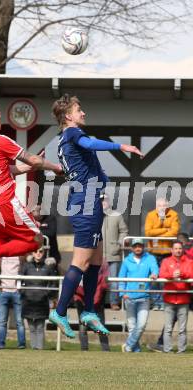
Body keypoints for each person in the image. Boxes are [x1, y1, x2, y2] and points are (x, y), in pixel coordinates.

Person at [48, 94, 143, 338]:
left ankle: (89, 310)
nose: (84, 113)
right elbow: (90, 145)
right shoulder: (72, 133)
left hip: (90, 202)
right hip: (85, 203)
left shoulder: (66, 138)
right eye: (79, 109)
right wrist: (121, 146)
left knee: (97, 260)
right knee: (80, 262)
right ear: (68, 116)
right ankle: (59, 311)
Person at [0, 102, 62, 283]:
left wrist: (31, 165)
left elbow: (5, 168)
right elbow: (33, 160)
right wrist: (55, 167)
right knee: (37, 239)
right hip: (4, 203)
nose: (1, 124)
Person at [119, 238, 158, 352]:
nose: (137, 248)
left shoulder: (150, 258)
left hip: (144, 297)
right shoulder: (126, 261)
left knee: (141, 325)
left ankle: (127, 345)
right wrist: (123, 293)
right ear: (132, 248)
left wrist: (154, 274)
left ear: (143, 247)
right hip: (129, 298)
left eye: (140, 246)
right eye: (135, 246)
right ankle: (135, 351)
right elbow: (121, 278)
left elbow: (155, 268)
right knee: (132, 327)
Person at [145, 198, 180, 310]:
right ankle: (156, 303)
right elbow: (148, 232)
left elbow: (174, 232)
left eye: (164, 206)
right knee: (154, 278)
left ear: (167, 206)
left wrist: (158, 234)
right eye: (160, 206)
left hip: (167, 252)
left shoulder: (174, 214)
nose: (162, 208)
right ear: (156, 206)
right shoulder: (150, 215)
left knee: (166, 278)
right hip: (153, 252)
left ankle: (165, 302)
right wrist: (165, 229)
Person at [159, 241, 193, 353]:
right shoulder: (165, 261)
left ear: (182, 250)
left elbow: (191, 275)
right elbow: (162, 275)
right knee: (168, 328)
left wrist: (182, 274)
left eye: (180, 248)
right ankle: (167, 350)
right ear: (171, 250)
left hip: (184, 299)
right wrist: (171, 275)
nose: (178, 250)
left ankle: (181, 350)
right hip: (169, 298)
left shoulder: (189, 262)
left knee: (182, 329)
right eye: (176, 248)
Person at [21, 247, 56, 350]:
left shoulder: (48, 267)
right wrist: (24, 293)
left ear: (44, 252)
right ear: (32, 253)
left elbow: (53, 283)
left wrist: (46, 294)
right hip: (28, 301)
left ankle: (40, 349)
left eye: (41, 251)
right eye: (36, 251)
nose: (38, 253)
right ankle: (33, 349)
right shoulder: (26, 266)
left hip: (42, 302)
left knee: (40, 328)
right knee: (31, 328)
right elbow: (19, 281)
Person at [74, 261, 110, 351]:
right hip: (81, 302)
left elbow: (102, 287)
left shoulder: (101, 266)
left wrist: (93, 302)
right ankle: (84, 348)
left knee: (100, 325)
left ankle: (105, 349)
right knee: (83, 326)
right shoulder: (77, 266)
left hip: (97, 303)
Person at [101, 194, 128, 310]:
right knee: (97, 280)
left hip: (114, 253)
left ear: (109, 202)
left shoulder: (117, 215)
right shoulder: (93, 215)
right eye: (101, 200)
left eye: (105, 200)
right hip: (97, 255)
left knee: (114, 281)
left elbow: (124, 231)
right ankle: (97, 301)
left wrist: (119, 244)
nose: (103, 202)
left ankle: (114, 302)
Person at [0, 256, 26, 349]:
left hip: (17, 292)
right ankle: (0, 344)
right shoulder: (1, 257)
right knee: (2, 321)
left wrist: (20, 287)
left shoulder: (21, 258)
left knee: (20, 321)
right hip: (3, 291)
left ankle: (21, 344)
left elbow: (24, 272)